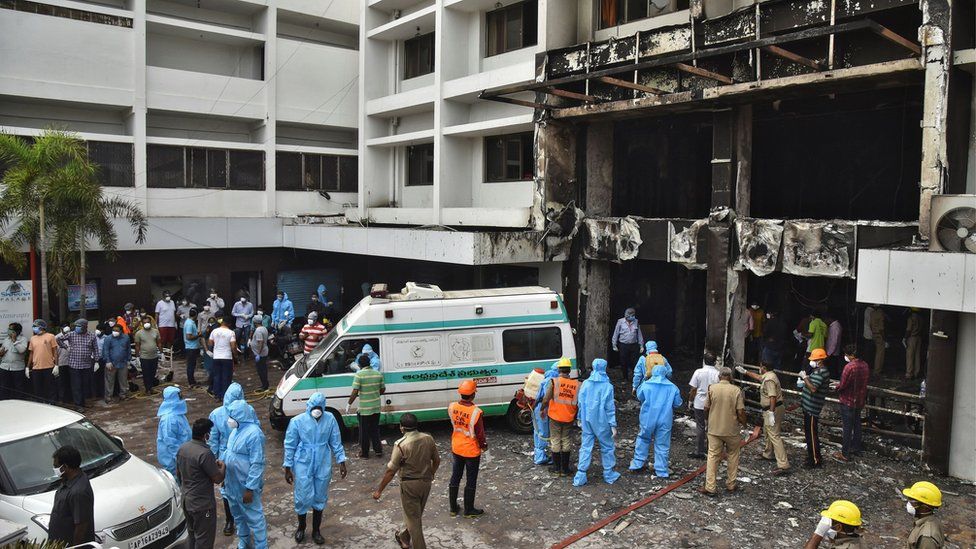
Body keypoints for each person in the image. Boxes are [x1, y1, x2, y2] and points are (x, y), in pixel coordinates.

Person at [283, 392, 347, 545]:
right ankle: (301, 526)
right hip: (303, 461)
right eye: (314, 407)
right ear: (309, 406)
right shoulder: (297, 421)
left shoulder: (330, 419)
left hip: (322, 460)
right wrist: (287, 467)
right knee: (302, 494)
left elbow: (336, 440)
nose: (317, 410)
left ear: (323, 407)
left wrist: (341, 461)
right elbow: (290, 444)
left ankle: (316, 530)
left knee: (320, 494)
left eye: (320, 407)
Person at [373, 412, 440, 549]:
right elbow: (437, 460)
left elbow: (391, 471)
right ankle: (404, 537)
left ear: (401, 428)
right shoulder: (428, 438)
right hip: (426, 483)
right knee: (415, 515)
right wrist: (431, 473)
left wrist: (379, 490)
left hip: (409, 485)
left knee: (414, 521)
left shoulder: (400, 445)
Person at [222, 400, 267, 549]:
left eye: (232, 415)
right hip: (232, 483)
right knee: (238, 515)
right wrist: (223, 473)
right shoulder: (236, 431)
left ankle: (261, 545)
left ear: (240, 415)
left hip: (245, 484)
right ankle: (244, 541)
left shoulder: (254, 433)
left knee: (255, 517)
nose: (230, 419)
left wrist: (250, 488)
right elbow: (229, 453)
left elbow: (257, 463)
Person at [177, 418, 226, 549]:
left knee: (193, 536)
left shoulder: (183, 448)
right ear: (206, 435)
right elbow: (217, 478)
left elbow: (179, 474)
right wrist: (222, 467)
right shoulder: (205, 453)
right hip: (202, 505)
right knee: (204, 540)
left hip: (187, 501)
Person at [699, 367, 747, 497]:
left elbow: (705, 408)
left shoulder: (712, 388)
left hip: (714, 429)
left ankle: (710, 486)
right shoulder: (736, 390)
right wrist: (744, 423)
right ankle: (731, 484)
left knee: (713, 456)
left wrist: (708, 420)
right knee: (733, 455)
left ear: (719, 377)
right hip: (731, 429)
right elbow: (741, 411)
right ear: (730, 377)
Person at [630, 363, 682, 477]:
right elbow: (678, 403)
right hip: (665, 418)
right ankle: (661, 470)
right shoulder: (673, 387)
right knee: (662, 444)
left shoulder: (646, 385)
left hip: (647, 417)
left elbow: (640, 397)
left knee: (643, 438)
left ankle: (637, 464)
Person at [736, 362, 789, 475]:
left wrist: (771, 412)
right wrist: (746, 372)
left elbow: (772, 397)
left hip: (773, 409)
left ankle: (783, 465)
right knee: (768, 431)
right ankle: (768, 453)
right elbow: (759, 377)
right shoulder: (769, 375)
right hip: (773, 409)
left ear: (763, 368)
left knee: (774, 435)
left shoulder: (769, 380)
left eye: (760, 367)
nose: (759, 369)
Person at [573, 358, 620, 486]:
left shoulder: (585, 384)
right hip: (602, 421)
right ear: (604, 368)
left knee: (586, 446)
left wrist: (579, 418)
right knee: (607, 446)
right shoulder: (607, 386)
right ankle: (608, 473)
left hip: (586, 419)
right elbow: (609, 407)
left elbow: (580, 403)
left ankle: (581, 474)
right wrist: (613, 424)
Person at [209, 382, 244, 536]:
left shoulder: (246, 411)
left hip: (242, 456)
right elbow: (213, 440)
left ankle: (243, 518)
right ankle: (230, 519)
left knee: (244, 486)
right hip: (225, 455)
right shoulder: (217, 414)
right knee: (226, 489)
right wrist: (215, 461)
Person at [448, 379, 486, 518]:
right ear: (473, 395)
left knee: (455, 476)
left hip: (456, 447)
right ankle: (468, 510)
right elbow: (480, 434)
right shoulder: (476, 412)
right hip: (471, 450)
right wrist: (484, 446)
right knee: (471, 480)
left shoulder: (452, 407)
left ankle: (453, 508)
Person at [48, 445, 95, 547]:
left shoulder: (78, 492)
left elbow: (81, 526)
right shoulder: (68, 481)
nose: (55, 469)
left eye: (56, 466)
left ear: (65, 467)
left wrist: (74, 547)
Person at [542, 358, 579, 477]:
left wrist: (543, 409)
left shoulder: (554, 382)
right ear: (569, 370)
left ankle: (557, 469)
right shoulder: (576, 384)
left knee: (556, 440)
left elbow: (546, 398)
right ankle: (565, 469)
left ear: (559, 369)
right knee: (566, 440)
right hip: (569, 417)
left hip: (555, 416)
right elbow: (579, 402)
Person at [832, 345, 869, 462]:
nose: (846, 357)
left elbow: (843, 385)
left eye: (847, 355)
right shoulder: (865, 365)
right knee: (857, 424)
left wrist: (835, 388)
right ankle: (856, 448)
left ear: (851, 355)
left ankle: (845, 453)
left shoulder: (849, 367)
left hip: (848, 400)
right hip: (859, 400)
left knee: (847, 427)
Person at [347, 354, 385, 458]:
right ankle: (378, 451)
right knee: (375, 430)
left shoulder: (359, 375)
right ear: (369, 363)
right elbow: (382, 389)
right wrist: (375, 394)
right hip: (376, 407)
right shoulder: (378, 374)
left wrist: (349, 403)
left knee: (364, 432)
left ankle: (365, 453)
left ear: (359, 364)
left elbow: (355, 391)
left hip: (364, 409)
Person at [799, 348, 831, 468]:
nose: (812, 362)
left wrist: (805, 378)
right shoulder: (817, 370)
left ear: (820, 360)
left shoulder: (821, 372)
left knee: (812, 435)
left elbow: (813, 388)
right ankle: (812, 455)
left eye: (814, 360)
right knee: (809, 434)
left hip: (812, 408)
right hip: (808, 406)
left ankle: (815, 460)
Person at [58, 319, 99, 407]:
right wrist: (66, 347)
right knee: (76, 386)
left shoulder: (91, 336)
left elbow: (95, 349)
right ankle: (78, 405)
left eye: (79, 326)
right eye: (76, 326)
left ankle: (83, 402)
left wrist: (96, 361)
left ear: (85, 327)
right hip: (74, 365)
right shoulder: (71, 334)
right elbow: (58, 339)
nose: (77, 328)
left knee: (85, 385)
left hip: (86, 365)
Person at [687, 352, 720, 459]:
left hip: (699, 403)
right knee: (711, 427)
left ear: (704, 360)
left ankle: (699, 451)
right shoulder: (718, 373)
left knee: (700, 427)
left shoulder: (698, 372)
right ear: (715, 361)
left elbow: (693, 389)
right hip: (712, 403)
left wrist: (690, 401)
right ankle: (711, 450)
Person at [157, 386, 192, 475]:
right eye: (179, 396)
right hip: (173, 461)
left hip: (184, 455)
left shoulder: (178, 414)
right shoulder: (168, 419)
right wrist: (180, 459)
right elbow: (171, 442)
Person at [531, 361, 560, 466]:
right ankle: (540, 457)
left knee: (537, 431)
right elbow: (545, 398)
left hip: (538, 409)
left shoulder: (545, 379)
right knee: (544, 433)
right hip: (544, 409)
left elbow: (538, 396)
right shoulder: (551, 381)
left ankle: (539, 455)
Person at [903, 481, 945, 548]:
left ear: (924, 508)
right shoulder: (931, 521)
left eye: (912, 502)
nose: (909, 504)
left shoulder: (926, 538)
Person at [26, 319, 59, 403]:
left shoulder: (51, 336)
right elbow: (31, 353)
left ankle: (51, 403)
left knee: (50, 387)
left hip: (48, 366)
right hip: (36, 367)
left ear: (41, 327)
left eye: (35, 326)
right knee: (37, 388)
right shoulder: (33, 338)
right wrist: (27, 367)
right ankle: (40, 404)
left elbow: (55, 351)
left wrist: (56, 365)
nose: (34, 328)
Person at [207, 318, 238, 400]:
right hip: (227, 357)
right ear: (229, 324)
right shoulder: (231, 332)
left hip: (216, 357)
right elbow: (233, 346)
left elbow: (210, 343)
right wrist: (236, 356)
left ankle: (217, 395)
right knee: (226, 377)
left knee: (217, 376)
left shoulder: (214, 331)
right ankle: (224, 395)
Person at [611, 307, 644, 381]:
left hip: (634, 345)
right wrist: (614, 344)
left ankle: (636, 378)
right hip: (623, 345)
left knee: (634, 362)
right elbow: (616, 333)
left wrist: (641, 345)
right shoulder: (620, 321)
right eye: (629, 316)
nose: (631, 317)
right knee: (623, 362)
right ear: (626, 316)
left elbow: (639, 334)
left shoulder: (636, 321)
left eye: (632, 315)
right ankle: (625, 378)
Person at [102, 323, 131, 403]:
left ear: (121, 331)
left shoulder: (126, 337)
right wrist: (108, 361)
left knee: (123, 380)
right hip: (111, 363)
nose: (114, 332)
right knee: (109, 381)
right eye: (113, 330)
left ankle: (123, 395)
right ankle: (108, 397)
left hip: (123, 362)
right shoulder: (108, 338)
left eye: (117, 330)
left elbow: (128, 349)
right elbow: (105, 350)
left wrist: (129, 359)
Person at [0, 322, 29, 400]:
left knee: (18, 388)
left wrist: (14, 340)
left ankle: (18, 404)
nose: (8, 330)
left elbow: (22, 350)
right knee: (4, 387)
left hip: (17, 368)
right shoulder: (6, 339)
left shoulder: (23, 339)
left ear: (15, 332)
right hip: (4, 367)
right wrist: (1, 353)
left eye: (10, 329)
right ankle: (4, 403)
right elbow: (2, 350)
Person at [134, 316, 161, 395]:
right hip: (144, 357)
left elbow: (159, 342)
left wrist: (162, 353)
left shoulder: (156, 331)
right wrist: (137, 357)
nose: (146, 324)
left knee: (153, 373)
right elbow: (137, 346)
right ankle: (148, 389)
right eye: (145, 322)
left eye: (148, 322)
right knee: (146, 374)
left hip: (154, 356)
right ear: (142, 323)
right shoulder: (138, 333)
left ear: (150, 322)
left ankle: (151, 388)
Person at [248, 316, 270, 391]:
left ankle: (264, 385)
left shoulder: (258, 331)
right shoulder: (264, 328)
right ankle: (265, 384)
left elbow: (260, 342)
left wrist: (258, 353)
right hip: (263, 351)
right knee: (263, 369)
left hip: (261, 353)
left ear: (255, 322)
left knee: (261, 370)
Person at [184, 308, 202, 387]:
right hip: (191, 347)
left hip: (193, 346)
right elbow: (189, 336)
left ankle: (193, 381)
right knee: (191, 365)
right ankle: (191, 382)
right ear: (196, 315)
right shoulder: (189, 324)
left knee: (192, 364)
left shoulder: (191, 322)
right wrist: (198, 335)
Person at [905, 308, 923, 379]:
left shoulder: (911, 318)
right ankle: (916, 373)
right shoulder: (921, 318)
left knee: (910, 356)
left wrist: (905, 338)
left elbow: (908, 330)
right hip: (919, 338)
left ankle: (909, 374)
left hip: (912, 338)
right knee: (917, 355)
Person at [869, 305, 886, 375]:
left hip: (874, 333)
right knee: (880, 353)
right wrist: (884, 337)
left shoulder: (872, 313)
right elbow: (881, 328)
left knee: (877, 352)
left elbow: (870, 324)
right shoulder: (880, 313)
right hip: (879, 334)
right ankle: (877, 370)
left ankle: (876, 369)